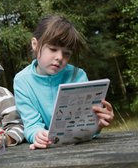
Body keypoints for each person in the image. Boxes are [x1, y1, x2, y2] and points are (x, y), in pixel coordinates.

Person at [13, 15, 114, 150]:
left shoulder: (78, 75)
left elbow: (85, 124)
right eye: (53, 49)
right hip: (47, 150)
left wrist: (98, 124)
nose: (59, 57)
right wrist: (38, 134)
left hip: (82, 148)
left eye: (66, 53)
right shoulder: (22, 81)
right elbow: (31, 124)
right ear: (35, 45)